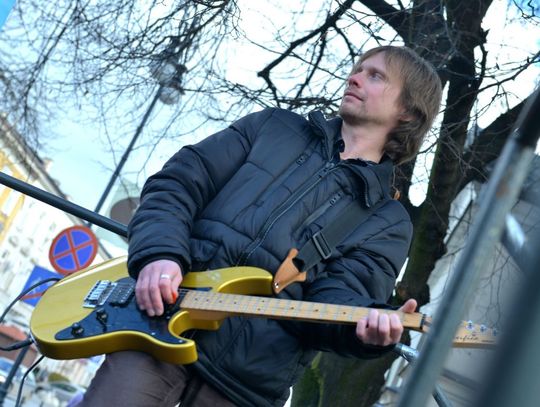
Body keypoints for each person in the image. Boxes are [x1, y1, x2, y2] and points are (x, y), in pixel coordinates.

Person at [80, 45, 442, 406]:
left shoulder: (387, 221)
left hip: (242, 388)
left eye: (375, 76)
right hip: (155, 329)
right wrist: (161, 255)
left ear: (408, 112)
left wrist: (364, 331)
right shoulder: (273, 127)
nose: (355, 78)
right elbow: (177, 184)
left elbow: (338, 297)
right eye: (358, 69)